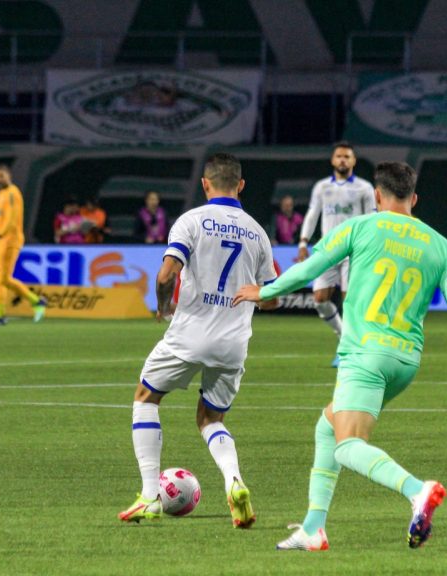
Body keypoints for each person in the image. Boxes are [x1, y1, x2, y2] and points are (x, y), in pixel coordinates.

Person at [234, 162, 447, 551]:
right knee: (328, 424)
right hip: (405, 362)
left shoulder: (359, 227)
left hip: (365, 354)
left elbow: (309, 270)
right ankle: (313, 528)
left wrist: (265, 292)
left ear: (378, 197)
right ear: (414, 198)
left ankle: (417, 491)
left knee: (348, 445)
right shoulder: (441, 245)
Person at [118, 153, 278, 528]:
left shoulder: (191, 221)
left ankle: (149, 496)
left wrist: (162, 308)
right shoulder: (258, 232)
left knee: (146, 398)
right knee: (210, 418)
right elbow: (270, 298)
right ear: (240, 185)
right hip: (232, 342)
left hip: (189, 334)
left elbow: (165, 275)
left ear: (205, 184)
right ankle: (233, 480)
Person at [298, 141, 376, 366]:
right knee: (320, 300)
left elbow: (372, 218)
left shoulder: (364, 187)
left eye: (347, 156)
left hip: (354, 251)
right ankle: (344, 338)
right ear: (333, 160)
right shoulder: (322, 187)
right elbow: (313, 214)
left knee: (349, 301)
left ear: (354, 161)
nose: (343, 160)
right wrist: (303, 241)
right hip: (328, 249)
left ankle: (350, 350)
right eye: (339, 156)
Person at [0, 165, 47, 326]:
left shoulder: (12, 193)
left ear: (9, 176)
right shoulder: (1, 194)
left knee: (2, 278)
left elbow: (11, 219)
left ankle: (36, 301)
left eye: (1, 176)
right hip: (2, 239)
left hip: (10, 240)